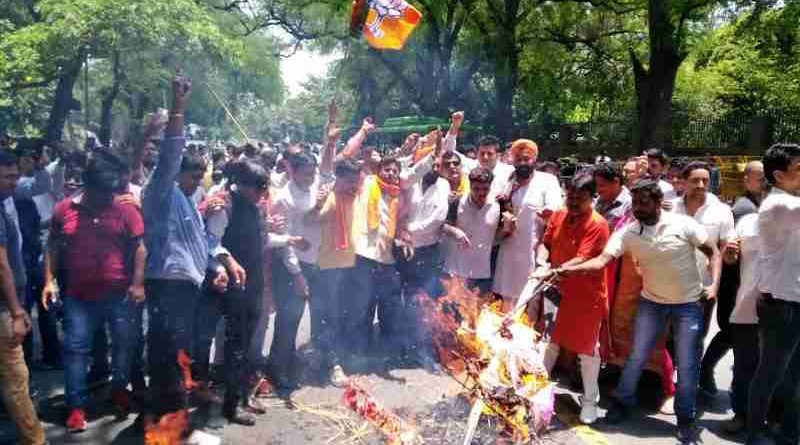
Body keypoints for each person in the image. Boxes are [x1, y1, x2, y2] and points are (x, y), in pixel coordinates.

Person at [556, 179, 720, 442]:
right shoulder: (629, 232)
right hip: (651, 303)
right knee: (637, 355)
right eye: (635, 203)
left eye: (644, 202)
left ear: (657, 202)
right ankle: (622, 402)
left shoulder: (683, 225)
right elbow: (601, 261)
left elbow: (713, 252)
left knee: (688, 364)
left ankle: (686, 419)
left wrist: (713, 286)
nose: (638, 208)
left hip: (688, 305)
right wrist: (565, 269)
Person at [141, 76, 229, 418]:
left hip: (187, 287)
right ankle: (163, 419)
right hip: (167, 285)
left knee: (181, 350)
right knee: (167, 352)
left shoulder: (191, 201)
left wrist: (219, 264)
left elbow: (202, 243)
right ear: (174, 174)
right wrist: (179, 107)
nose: (198, 182)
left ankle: (173, 412)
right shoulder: (161, 192)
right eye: (193, 176)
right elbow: (170, 152)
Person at [42, 150, 146, 432]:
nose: (106, 199)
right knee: (76, 349)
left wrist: (137, 284)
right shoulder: (64, 209)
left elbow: (139, 247)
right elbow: (52, 246)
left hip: (120, 295)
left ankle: (119, 391)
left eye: (110, 193)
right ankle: (76, 406)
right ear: (87, 187)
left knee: (124, 346)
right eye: (102, 193)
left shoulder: (125, 209)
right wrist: (48, 281)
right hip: (79, 296)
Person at [536, 173, 610, 425]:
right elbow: (545, 243)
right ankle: (536, 392)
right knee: (550, 342)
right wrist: (540, 260)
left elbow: (582, 258)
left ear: (592, 198)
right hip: (557, 289)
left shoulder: (597, 224)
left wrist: (555, 270)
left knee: (587, 350)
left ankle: (590, 402)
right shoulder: (558, 215)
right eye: (570, 196)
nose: (574, 202)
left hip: (586, 295)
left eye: (580, 198)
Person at [747, 143, 800, 445]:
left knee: (793, 377)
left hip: (792, 302)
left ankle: (790, 432)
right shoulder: (780, 205)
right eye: (799, 169)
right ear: (779, 176)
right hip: (781, 306)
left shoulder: (790, 203)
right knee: (770, 374)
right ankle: (754, 433)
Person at [671, 161, 732, 396]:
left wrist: (728, 255)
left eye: (705, 181)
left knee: (696, 336)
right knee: (668, 335)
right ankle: (669, 380)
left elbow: (726, 244)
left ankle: (689, 384)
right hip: (670, 282)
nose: (701, 185)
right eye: (695, 180)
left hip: (703, 285)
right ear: (683, 181)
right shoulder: (670, 208)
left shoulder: (721, 211)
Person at [0, 150, 46, 445]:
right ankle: (36, 441)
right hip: (2, 308)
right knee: (17, 380)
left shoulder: (7, 204)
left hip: (9, 302)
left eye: (16, 176)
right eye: (6, 176)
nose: (13, 182)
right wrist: (16, 311)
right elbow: (1, 264)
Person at [492, 139, 562, 306]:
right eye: (518, 159)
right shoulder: (506, 182)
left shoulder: (547, 181)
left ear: (534, 159)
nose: (522, 163)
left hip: (533, 250)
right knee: (506, 302)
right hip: (508, 250)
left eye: (526, 158)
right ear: (513, 161)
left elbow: (556, 210)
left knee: (530, 300)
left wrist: (547, 213)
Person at [442, 167, 504, 294]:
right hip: (456, 267)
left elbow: (499, 236)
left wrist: (508, 229)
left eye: (485, 189)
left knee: (477, 310)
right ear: (470, 185)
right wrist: (456, 232)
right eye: (476, 189)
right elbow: (443, 227)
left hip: (482, 270)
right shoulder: (457, 201)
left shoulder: (499, 205)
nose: (481, 193)